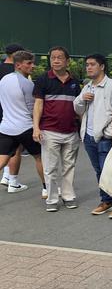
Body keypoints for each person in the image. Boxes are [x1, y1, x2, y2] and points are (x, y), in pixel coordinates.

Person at [73, 54, 112, 219]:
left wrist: (109, 132)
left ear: (102, 66)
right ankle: (106, 200)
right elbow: (77, 108)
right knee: (99, 171)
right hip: (89, 136)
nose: (88, 67)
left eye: (92, 64)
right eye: (87, 65)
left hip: (105, 137)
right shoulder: (88, 87)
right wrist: (82, 99)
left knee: (110, 171)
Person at [33, 46, 82, 212]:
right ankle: (52, 199)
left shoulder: (75, 82)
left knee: (69, 167)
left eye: (60, 57)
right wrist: (36, 128)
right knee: (50, 168)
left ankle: (68, 196)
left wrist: (81, 129)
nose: (55, 60)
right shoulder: (43, 80)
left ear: (67, 61)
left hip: (71, 132)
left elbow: (79, 107)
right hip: (49, 131)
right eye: (53, 57)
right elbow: (38, 105)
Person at [0, 51, 45, 193]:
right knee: (40, 157)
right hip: (26, 128)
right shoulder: (28, 85)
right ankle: (47, 189)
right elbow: (34, 109)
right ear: (18, 65)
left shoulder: (4, 80)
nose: (33, 66)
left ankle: (13, 183)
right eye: (29, 63)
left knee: (2, 160)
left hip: (6, 127)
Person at [0, 43, 26, 191]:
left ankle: (6, 176)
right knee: (16, 146)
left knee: (4, 147)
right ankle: (12, 181)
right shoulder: (19, 71)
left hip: (3, 113)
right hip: (13, 113)